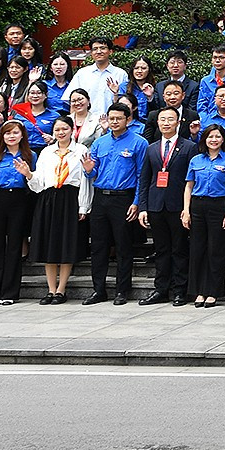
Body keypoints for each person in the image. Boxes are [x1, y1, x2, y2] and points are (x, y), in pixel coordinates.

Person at [83, 101, 148, 305]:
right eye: (111, 118)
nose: (114, 122)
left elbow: (141, 176)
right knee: (98, 247)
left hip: (124, 198)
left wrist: (137, 202)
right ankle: (98, 290)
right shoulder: (100, 142)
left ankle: (122, 290)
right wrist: (87, 169)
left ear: (128, 120)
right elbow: (93, 172)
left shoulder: (139, 143)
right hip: (101, 197)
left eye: (119, 118)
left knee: (123, 247)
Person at [29, 114, 93, 304]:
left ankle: (61, 289)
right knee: (49, 245)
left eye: (64, 128)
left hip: (70, 198)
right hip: (48, 199)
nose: (60, 132)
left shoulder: (81, 150)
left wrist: (84, 206)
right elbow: (39, 182)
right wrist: (28, 175)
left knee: (66, 244)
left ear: (72, 130)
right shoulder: (46, 152)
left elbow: (85, 182)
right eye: (57, 129)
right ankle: (50, 289)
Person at [136, 106, 195, 307]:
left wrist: (188, 208)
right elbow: (144, 179)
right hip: (155, 205)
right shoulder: (151, 148)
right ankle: (160, 289)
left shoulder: (189, 146)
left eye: (171, 119)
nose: (166, 123)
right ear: (157, 123)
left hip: (178, 205)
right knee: (161, 249)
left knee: (179, 249)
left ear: (179, 122)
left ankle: (180, 290)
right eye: (163, 120)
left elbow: (192, 181)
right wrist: (143, 206)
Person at [182, 123, 225, 307]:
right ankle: (198, 291)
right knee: (197, 249)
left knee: (216, 250)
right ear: (204, 139)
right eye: (210, 137)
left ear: (223, 140)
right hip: (197, 206)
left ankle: (213, 292)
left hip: (219, 206)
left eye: (217, 137)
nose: (214, 140)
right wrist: (186, 211)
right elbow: (189, 186)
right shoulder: (196, 160)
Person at [0, 119, 36, 306]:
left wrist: (27, 173)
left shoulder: (30, 155)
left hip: (20, 200)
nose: (11, 136)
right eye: (7, 133)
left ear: (22, 135)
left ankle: (10, 292)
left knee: (14, 246)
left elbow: (35, 182)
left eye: (15, 133)